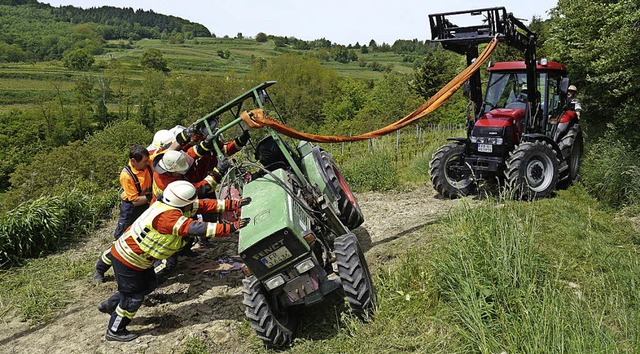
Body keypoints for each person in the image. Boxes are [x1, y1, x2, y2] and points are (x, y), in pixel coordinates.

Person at [97, 180, 251, 342]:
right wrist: (230, 227)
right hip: (128, 260)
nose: (193, 204)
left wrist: (234, 204)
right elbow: (198, 228)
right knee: (134, 297)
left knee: (146, 286)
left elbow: (205, 205)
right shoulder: (167, 218)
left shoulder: (172, 204)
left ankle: (110, 304)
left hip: (137, 259)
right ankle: (115, 329)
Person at [92, 145, 152, 285]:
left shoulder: (147, 163)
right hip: (131, 210)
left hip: (146, 208)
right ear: (133, 160)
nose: (147, 163)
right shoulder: (126, 175)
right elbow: (135, 200)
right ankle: (100, 270)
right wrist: (155, 197)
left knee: (142, 239)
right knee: (120, 242)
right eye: (143, 162)